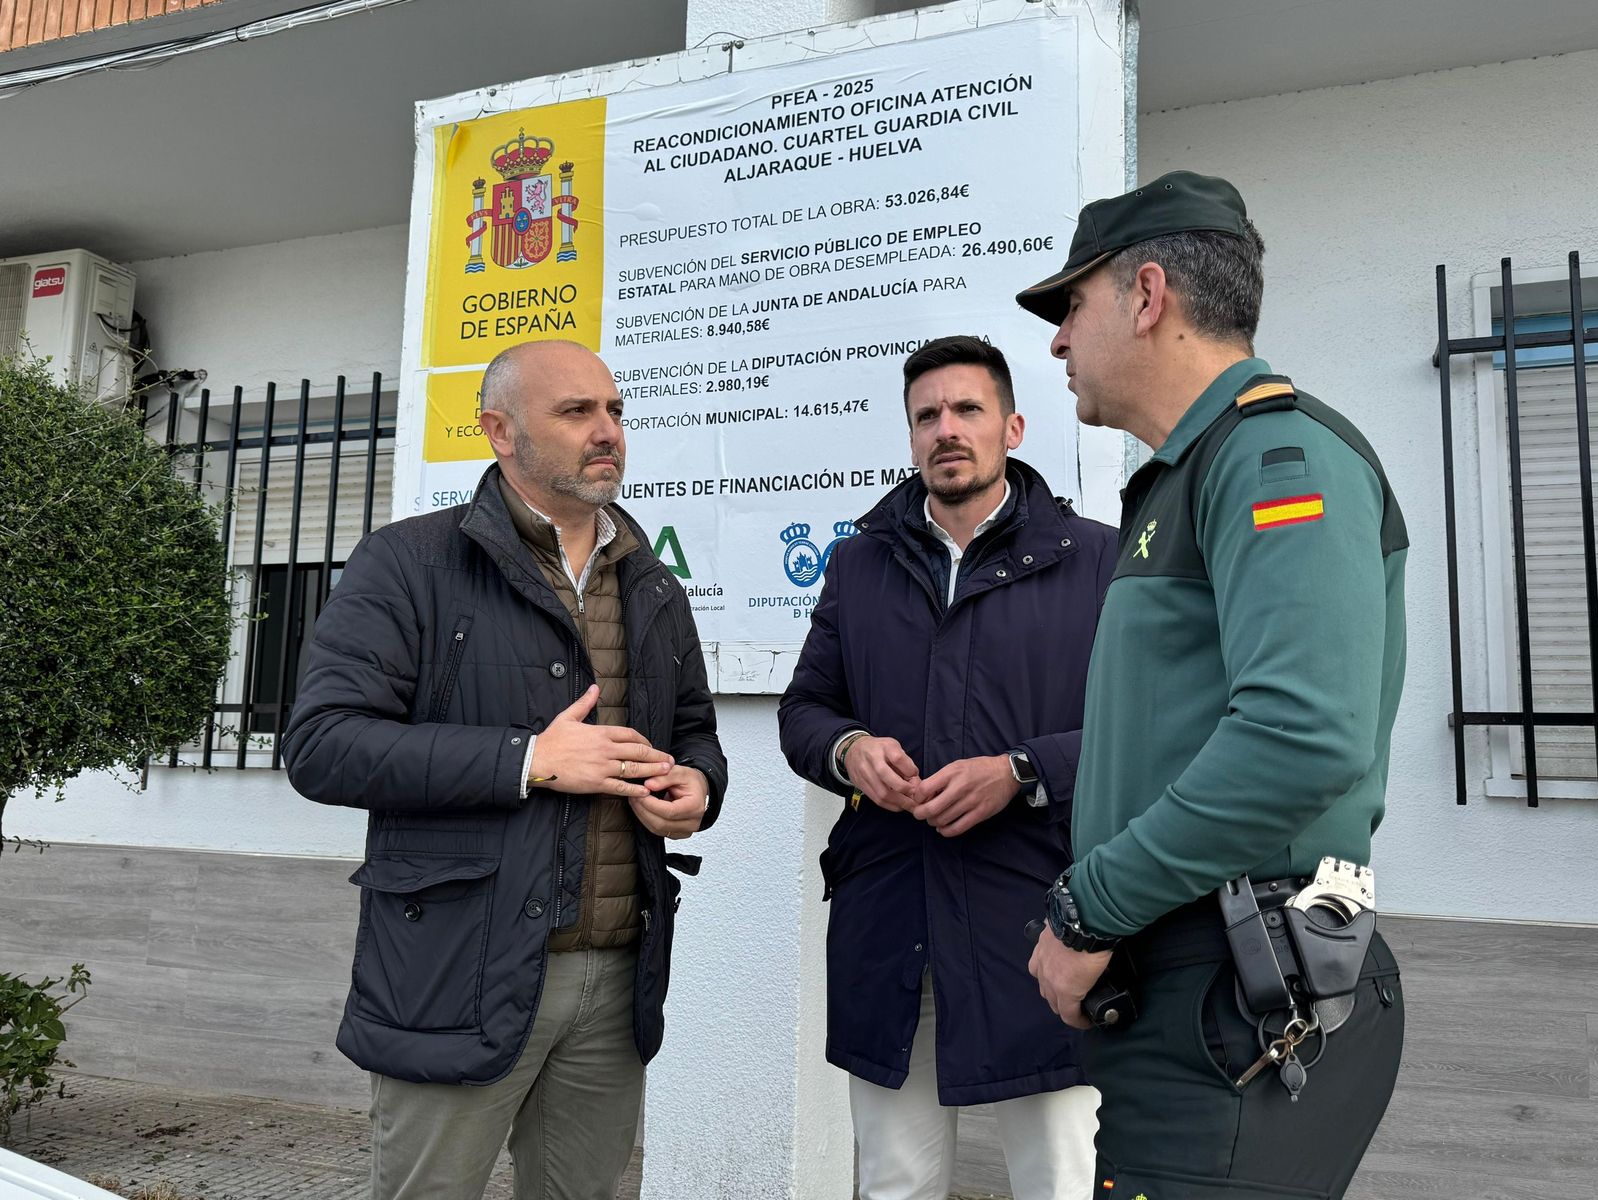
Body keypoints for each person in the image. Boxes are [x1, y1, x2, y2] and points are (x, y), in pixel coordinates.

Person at [1017, 171, 1407, 1200]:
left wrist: (1083, 911)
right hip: (1196, 982)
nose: (1056, 341)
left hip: (1235, 984)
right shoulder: (1194, 473)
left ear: (1146, 297)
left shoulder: (1275, 457)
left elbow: (1300, 739)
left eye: (1072, 306)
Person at [283, 339, 728, 1200]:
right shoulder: (408, 563)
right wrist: (527, 759)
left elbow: (696, 733)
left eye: (615, 411)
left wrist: (696, 790)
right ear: (499, 430)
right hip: (458, 970)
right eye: (576, 412)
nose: (608, 432)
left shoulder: (652, 585)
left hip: (616, 974)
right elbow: (323, 745)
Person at [778, 335, 1117, 1200]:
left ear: (1012, 426)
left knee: (1061, 1183)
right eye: (926, 416)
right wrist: (848, 751)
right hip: (893, 923)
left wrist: (1022, 769)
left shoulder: (1097, 560)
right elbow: (804, 712)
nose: (946, 430)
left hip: (1040, 927)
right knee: (894, 1183)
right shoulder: (859, 564)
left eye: (967, 410)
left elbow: (1145, 731)